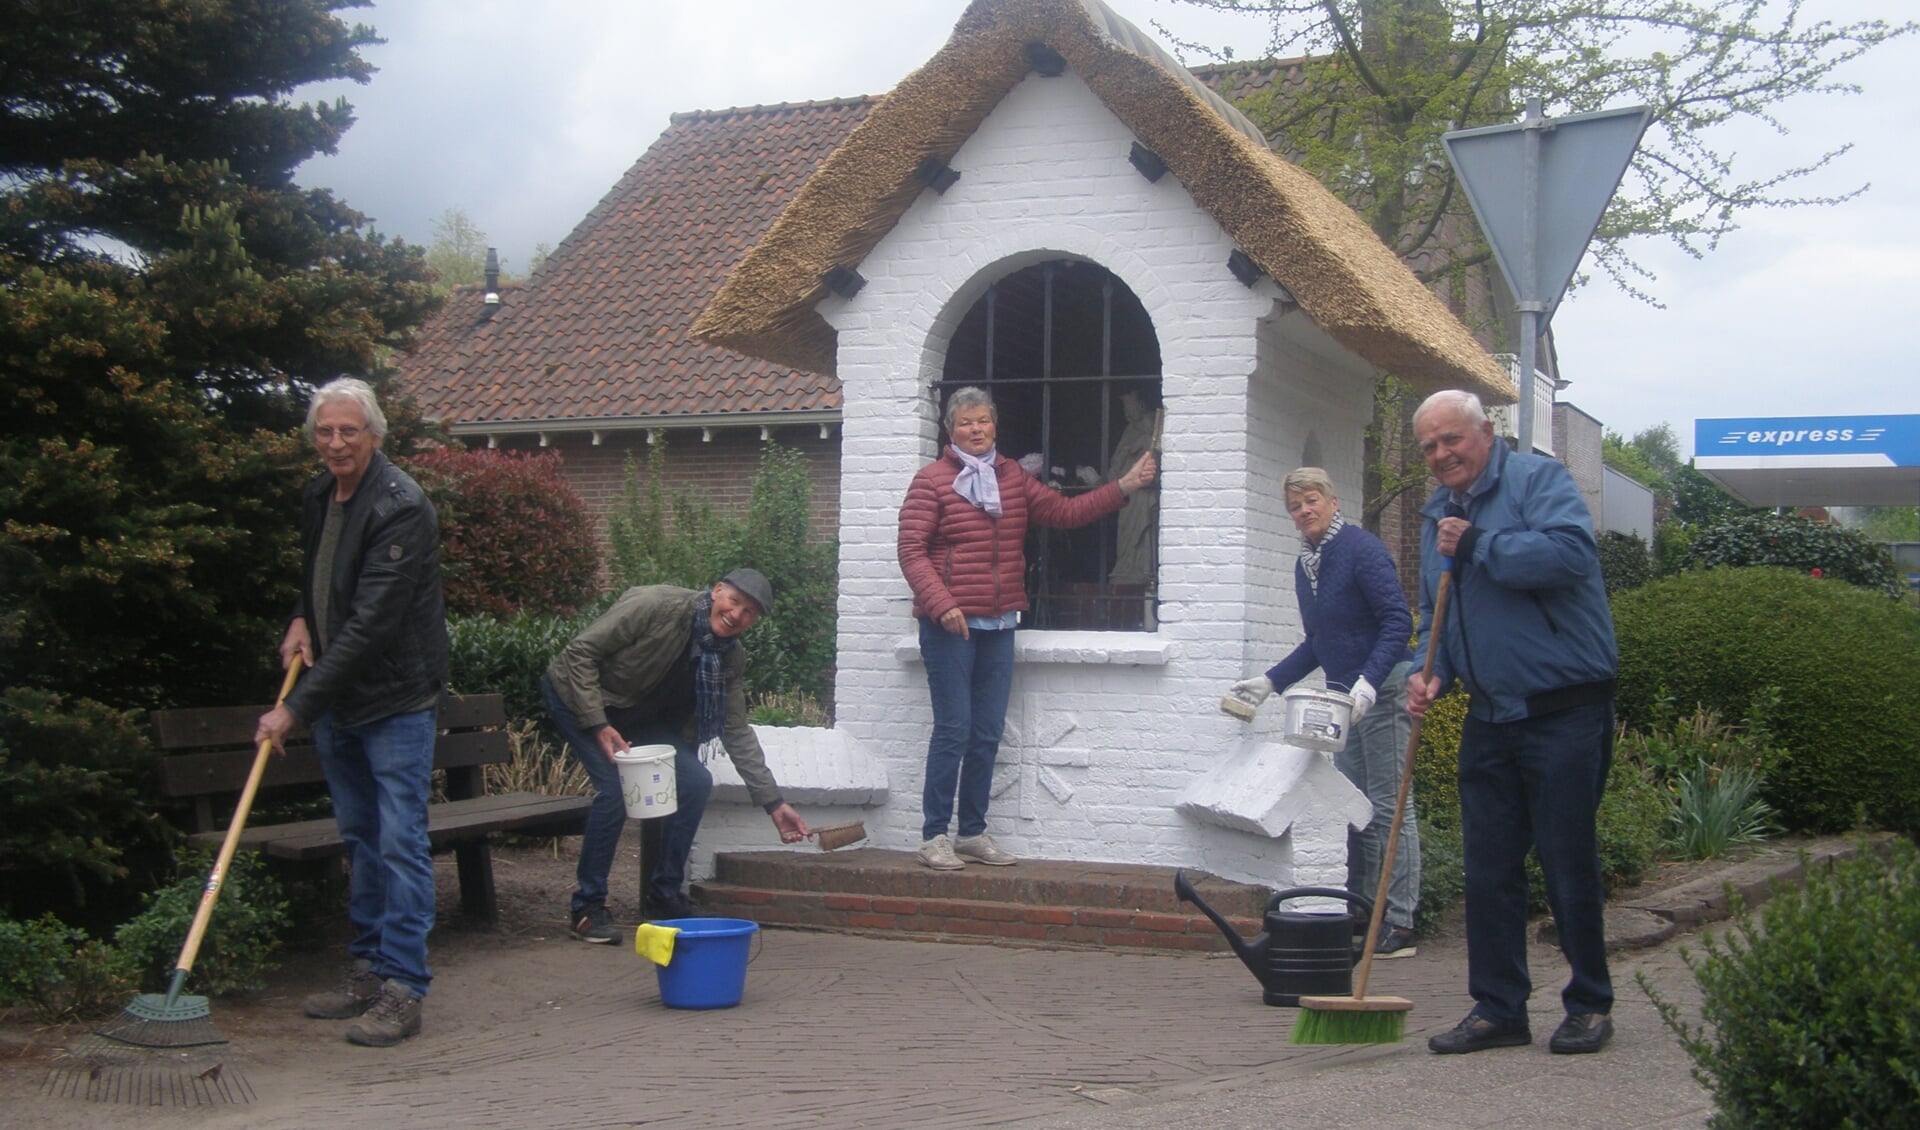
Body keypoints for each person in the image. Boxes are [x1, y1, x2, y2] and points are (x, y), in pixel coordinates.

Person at [1404, 390, 1619, 1057]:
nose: (1442, 455)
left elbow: (1569, 556)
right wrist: (1431, 669)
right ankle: (1499, 1007)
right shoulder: (1436, 514)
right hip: (1491, 713)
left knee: (1566, 862)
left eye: (1452, 440)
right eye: (1430, 446)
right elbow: (1432, 613)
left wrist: (1479, 545)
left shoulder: (1538, 481)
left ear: (1486, 433)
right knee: (1488, 867)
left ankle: (1589, 1003)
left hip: (1565, 708)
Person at [256, 377, 448, 1048]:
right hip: (339, 696)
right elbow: (324, 576)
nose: (335, 443)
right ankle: (366, 971)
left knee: (399, 842)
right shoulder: (318, 493)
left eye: (348, 431)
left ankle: (404, 988)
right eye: (324, 432)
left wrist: (296, 710)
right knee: (361, 836)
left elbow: (371, 623)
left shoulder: (401, 506)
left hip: (395, 698)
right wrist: (300, 620)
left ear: (374, 435)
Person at [898, 386, 1158, 870]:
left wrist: (1123, 485)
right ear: (950, 430)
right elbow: (912, 552)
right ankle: (935, 835)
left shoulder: (1011, 477)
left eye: (982, 421)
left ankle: (972, 833)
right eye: (965, 423)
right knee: (954, 729)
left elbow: (1065, 512)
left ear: (994, 426)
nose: (975, 430)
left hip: (999, 622)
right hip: (949, 625)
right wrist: (942, 604)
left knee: (988, 731)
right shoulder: (930, 482)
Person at [543, 569, 810, 943]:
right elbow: (579, 655)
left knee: (694, 782)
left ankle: (663, 896)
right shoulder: (655, 605)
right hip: (581, 697)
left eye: (749, 613)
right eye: (734, 602)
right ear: (717, 591)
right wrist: (597, 723)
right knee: (614, 792)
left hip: (637, 716)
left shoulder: (729, 658)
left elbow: (735, 729)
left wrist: (773, 803)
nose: (736, 615)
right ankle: (587, 908)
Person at [1224, 467, 1421, 958]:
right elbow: (1320, 641)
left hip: (1383, 689)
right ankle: (1363, 910)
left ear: (1332, 502)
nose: (1304, 510)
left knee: (1391, 803)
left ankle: (1399, 920)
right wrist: (1270, 682)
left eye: (1312, 500)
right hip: (1343, 702)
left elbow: (1398, 622)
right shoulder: (1306, 563)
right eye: (1295, 506)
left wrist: (1369, 683)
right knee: (1358, 807)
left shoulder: (1361, 549)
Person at [1106, 386, 1160, 585]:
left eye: (1130, 406)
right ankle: (1127, 566)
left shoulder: (1149, 424)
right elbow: (1119, 457)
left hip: (1144, 492)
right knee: (1126, 530)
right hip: (1128, 491)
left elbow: (1155, 447)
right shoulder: (1130, 430)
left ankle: (1142, 568)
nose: (1128, 412)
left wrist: (1140, 444)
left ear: (1140, 405)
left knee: (1142, 531)